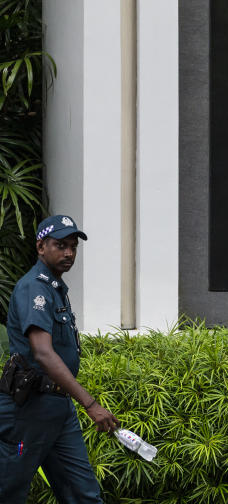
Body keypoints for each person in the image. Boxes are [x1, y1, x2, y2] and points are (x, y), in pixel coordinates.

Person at [0, 214, 119, 503]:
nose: (68, 253)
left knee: (83, 494)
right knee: (9, 491)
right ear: (41, 247)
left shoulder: (55, 288)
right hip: (27, 411)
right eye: (60, 245)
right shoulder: (35, 288)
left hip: (58, 410)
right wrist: (90, 404)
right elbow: (42, 352)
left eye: (73, 246)